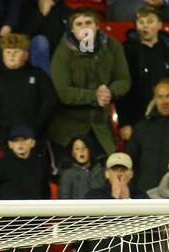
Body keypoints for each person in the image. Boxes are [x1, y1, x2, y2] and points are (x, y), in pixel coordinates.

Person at [47, 7, 131, 161]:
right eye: (79, 24)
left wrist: (110, 92)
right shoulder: (63, 52)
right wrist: (94, 96)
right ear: (72, 30)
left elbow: (124, 80)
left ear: (97, 26)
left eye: (88, 22)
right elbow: (62, 91)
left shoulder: (113, 46)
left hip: (101, 126)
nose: (84, 27)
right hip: (67, 129)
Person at [119, 5, 169, 140]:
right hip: (138, 119)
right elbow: (123, 89)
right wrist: (124, 122)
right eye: (141, 22)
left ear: (159, 25)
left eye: (150, 21)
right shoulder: (127, 51)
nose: (145, 26)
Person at [0, 33, 57, 146]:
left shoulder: (38, 75)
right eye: (8, 52)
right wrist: (5, 127)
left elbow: (49, 102)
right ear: (2, 55)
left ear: (26, 55)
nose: (11, 55)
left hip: (36, 134)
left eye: (16, 52)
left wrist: (37, 126)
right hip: (7, 136)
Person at [0, 125, 51, 200]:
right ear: (10, 144)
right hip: (6, 210)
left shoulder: (40, 165)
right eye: (16, 140)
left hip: (34, 209)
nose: (20, 143)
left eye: (24, 139)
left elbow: (45, 191)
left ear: (33, 143)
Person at [56, 135, 105, 201]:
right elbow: (64, 200)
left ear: (90, 150)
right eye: (77, 149)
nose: (81, 151)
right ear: (72, 153)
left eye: (85, 148)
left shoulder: (101, 171)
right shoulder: (67, 174)